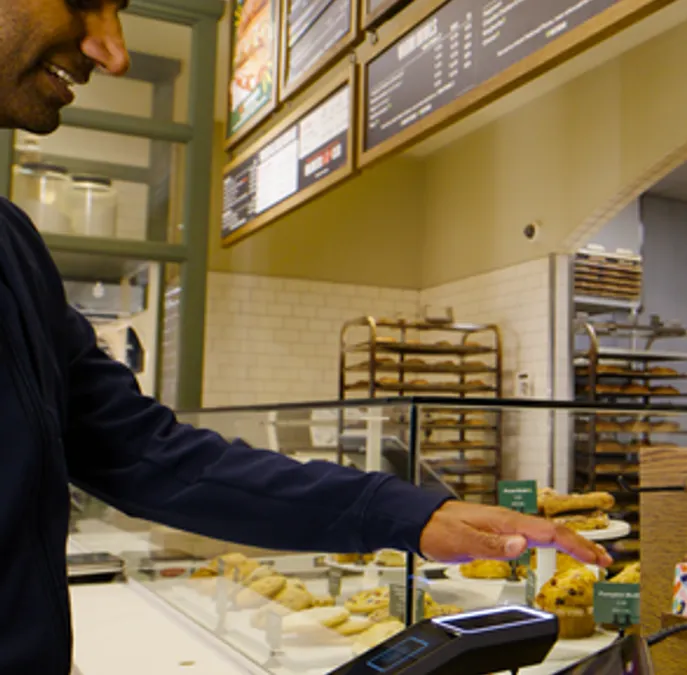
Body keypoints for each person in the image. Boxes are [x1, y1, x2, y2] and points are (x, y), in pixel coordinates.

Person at [0, 2, 610, 673]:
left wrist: (410, 514)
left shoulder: (16, 252)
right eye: (86, 0)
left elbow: (148, 454)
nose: (114, 52)